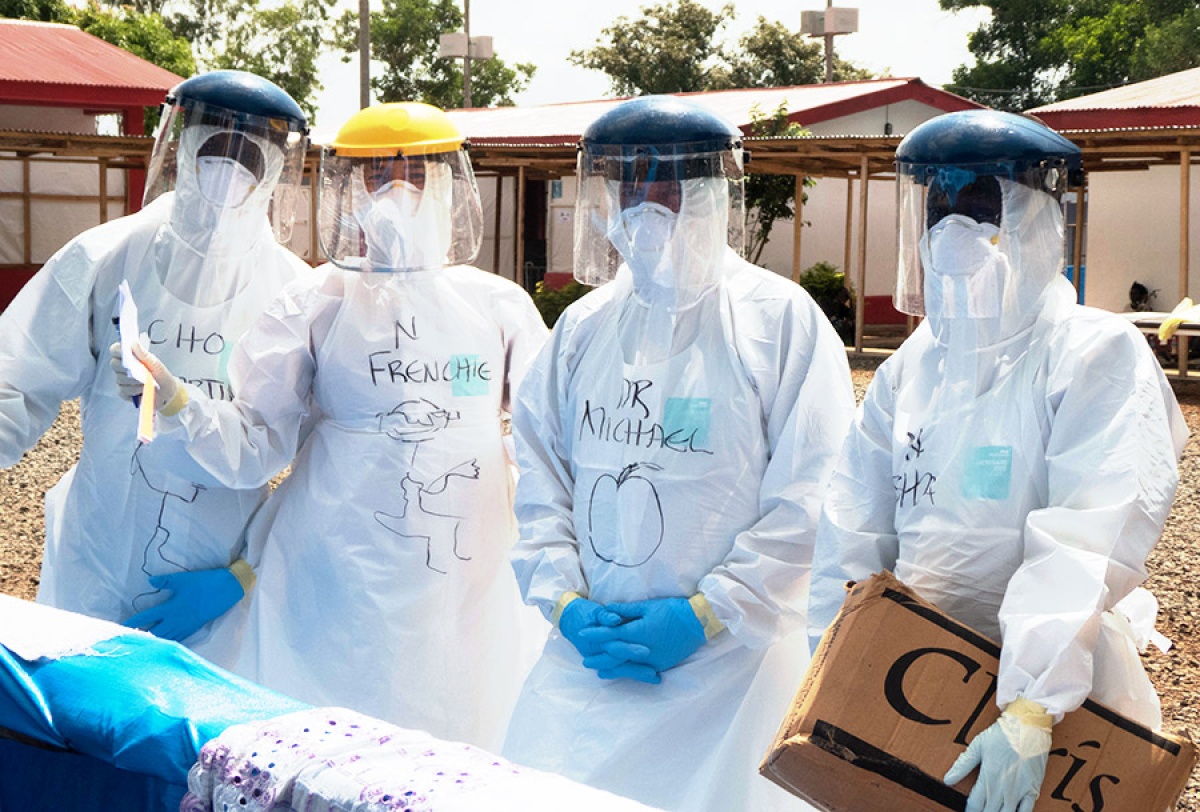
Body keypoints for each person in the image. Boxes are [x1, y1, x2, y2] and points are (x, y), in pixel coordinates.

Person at [114, 102, 548, 751]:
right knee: (330, 739)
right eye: (377, 176)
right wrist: (179, 403)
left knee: (464, 736)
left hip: (465, 575)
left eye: (413, 173)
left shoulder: (497, 307)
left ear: (447, 186)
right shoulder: (314, 303)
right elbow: (260, 445)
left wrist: (567, 568)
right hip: (333, 573)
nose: (395, 191)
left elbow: (549, 442)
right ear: (348, 188)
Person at [807, 109, 1188, 812]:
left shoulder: (1093, 353)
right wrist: (840, 661)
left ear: (1041, 223)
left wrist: (1031, 706)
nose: (953, 227)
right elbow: (852, 528)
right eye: (939, 206)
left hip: (1061, 695)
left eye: (982, 206)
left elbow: (1087, 534)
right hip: (909, 676)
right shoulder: (910, 367)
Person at [501, 95, 856, 811]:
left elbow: (813, 495)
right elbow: (540, 477)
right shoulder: (583, 327)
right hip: (587, 662)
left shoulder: (779, 321)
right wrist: (564, 599)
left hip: (730, 672)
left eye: (670, 182)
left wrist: (709, 612)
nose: (648, 201)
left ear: (712, 191)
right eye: (631, 183)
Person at [0, 69, 313, 645]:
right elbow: (16, 379)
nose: (227, 171)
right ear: (181, 144)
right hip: (97, 554)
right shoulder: (108, 255)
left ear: (276, 169)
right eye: (213, 146)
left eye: (248, 156)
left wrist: (246, 573)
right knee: (76, 715)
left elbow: (317, 461)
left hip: (218, 577)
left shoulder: (294, 293)